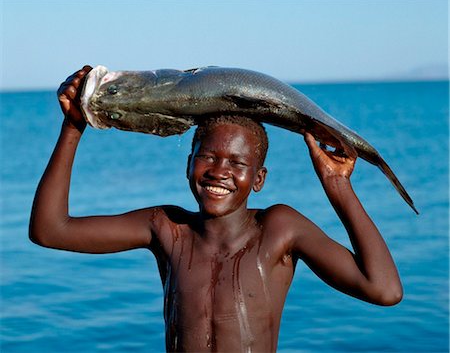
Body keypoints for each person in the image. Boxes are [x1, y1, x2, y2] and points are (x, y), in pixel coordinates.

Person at [29, 66, 402, 352]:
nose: (219, 171)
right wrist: (74, 126)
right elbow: (50, 230)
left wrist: (337, 186)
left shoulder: (279, 228)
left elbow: (384, 290)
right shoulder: (168, 227)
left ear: (258, 179)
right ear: (188, 163)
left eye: (238, 164)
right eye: (207, 156)